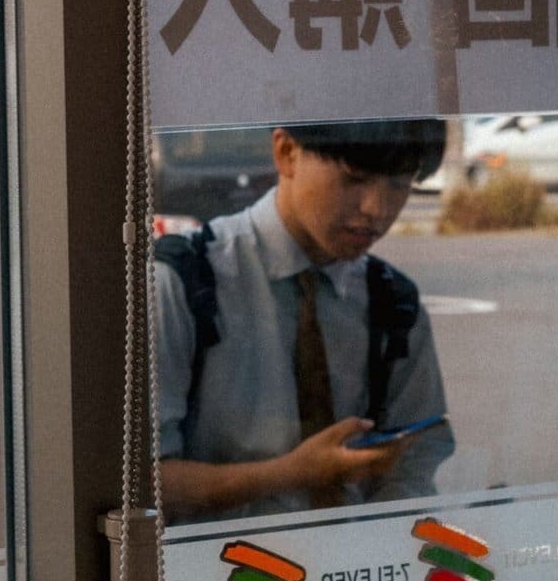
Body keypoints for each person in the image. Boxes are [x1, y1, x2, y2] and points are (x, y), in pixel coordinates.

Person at [155, 118, 455, 521]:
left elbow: (416, 461)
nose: (377, 210)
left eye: (399, 184)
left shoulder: (394, 303)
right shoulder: (183, 280)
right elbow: (143, 486)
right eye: (355, 179)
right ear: (287, 152)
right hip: (219, 574)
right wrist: (290, 474)